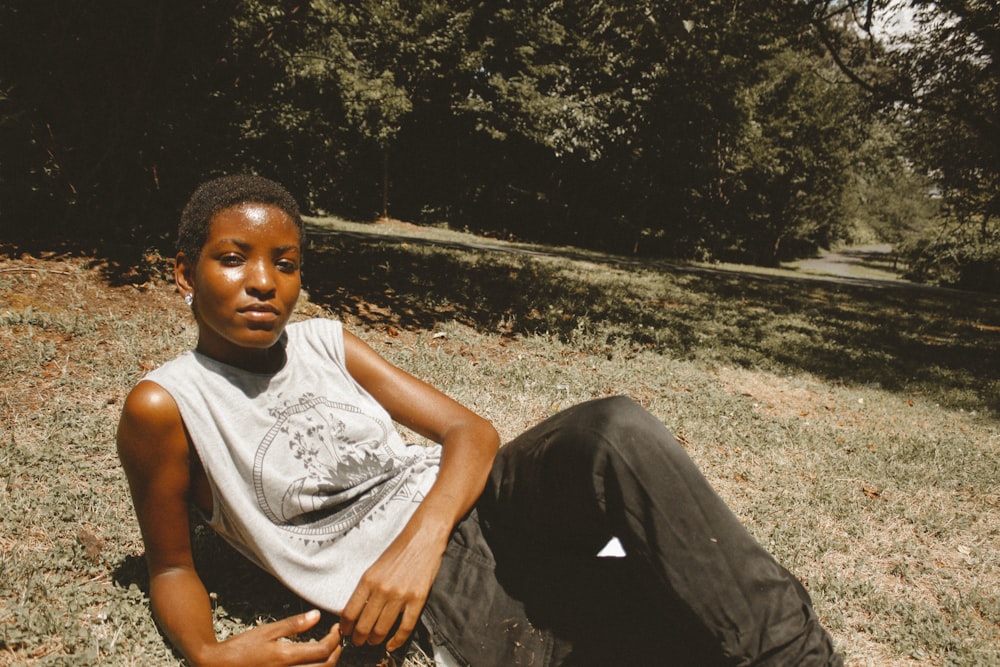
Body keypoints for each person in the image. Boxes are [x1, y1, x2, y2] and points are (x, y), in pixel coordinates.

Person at [117, 174, 843, 667]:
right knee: (672, 623)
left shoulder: (325, 341)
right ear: (185, 272)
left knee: (613, 430)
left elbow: (473, 433)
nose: (263, 281)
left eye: (286, 261)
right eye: (233, 258)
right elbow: (172, 562)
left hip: (476, 505)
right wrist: (209, 655)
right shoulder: (169, 404)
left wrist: (420, 540)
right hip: (443, 596)